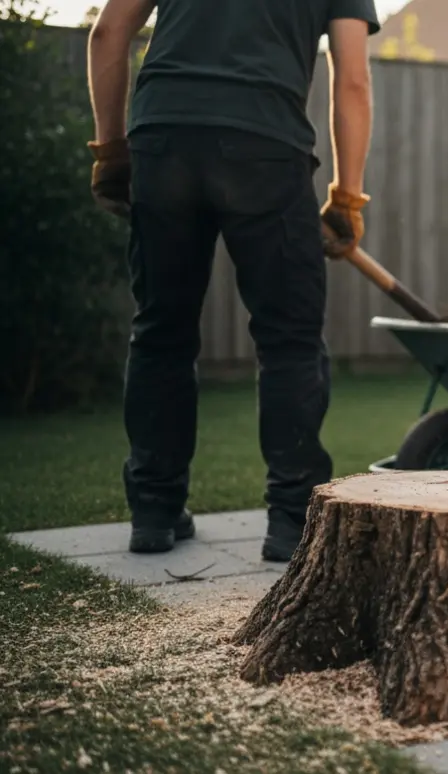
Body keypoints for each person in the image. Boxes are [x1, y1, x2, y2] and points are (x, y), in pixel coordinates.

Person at [85, 0, 379, 560]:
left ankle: (154, 512)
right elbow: (354, 80)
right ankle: (292, 521)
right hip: (265, 145)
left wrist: (111, 151)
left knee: (160, 330)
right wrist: (347, 197)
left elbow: (107, 33)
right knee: (289, 339)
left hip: (164, 138)